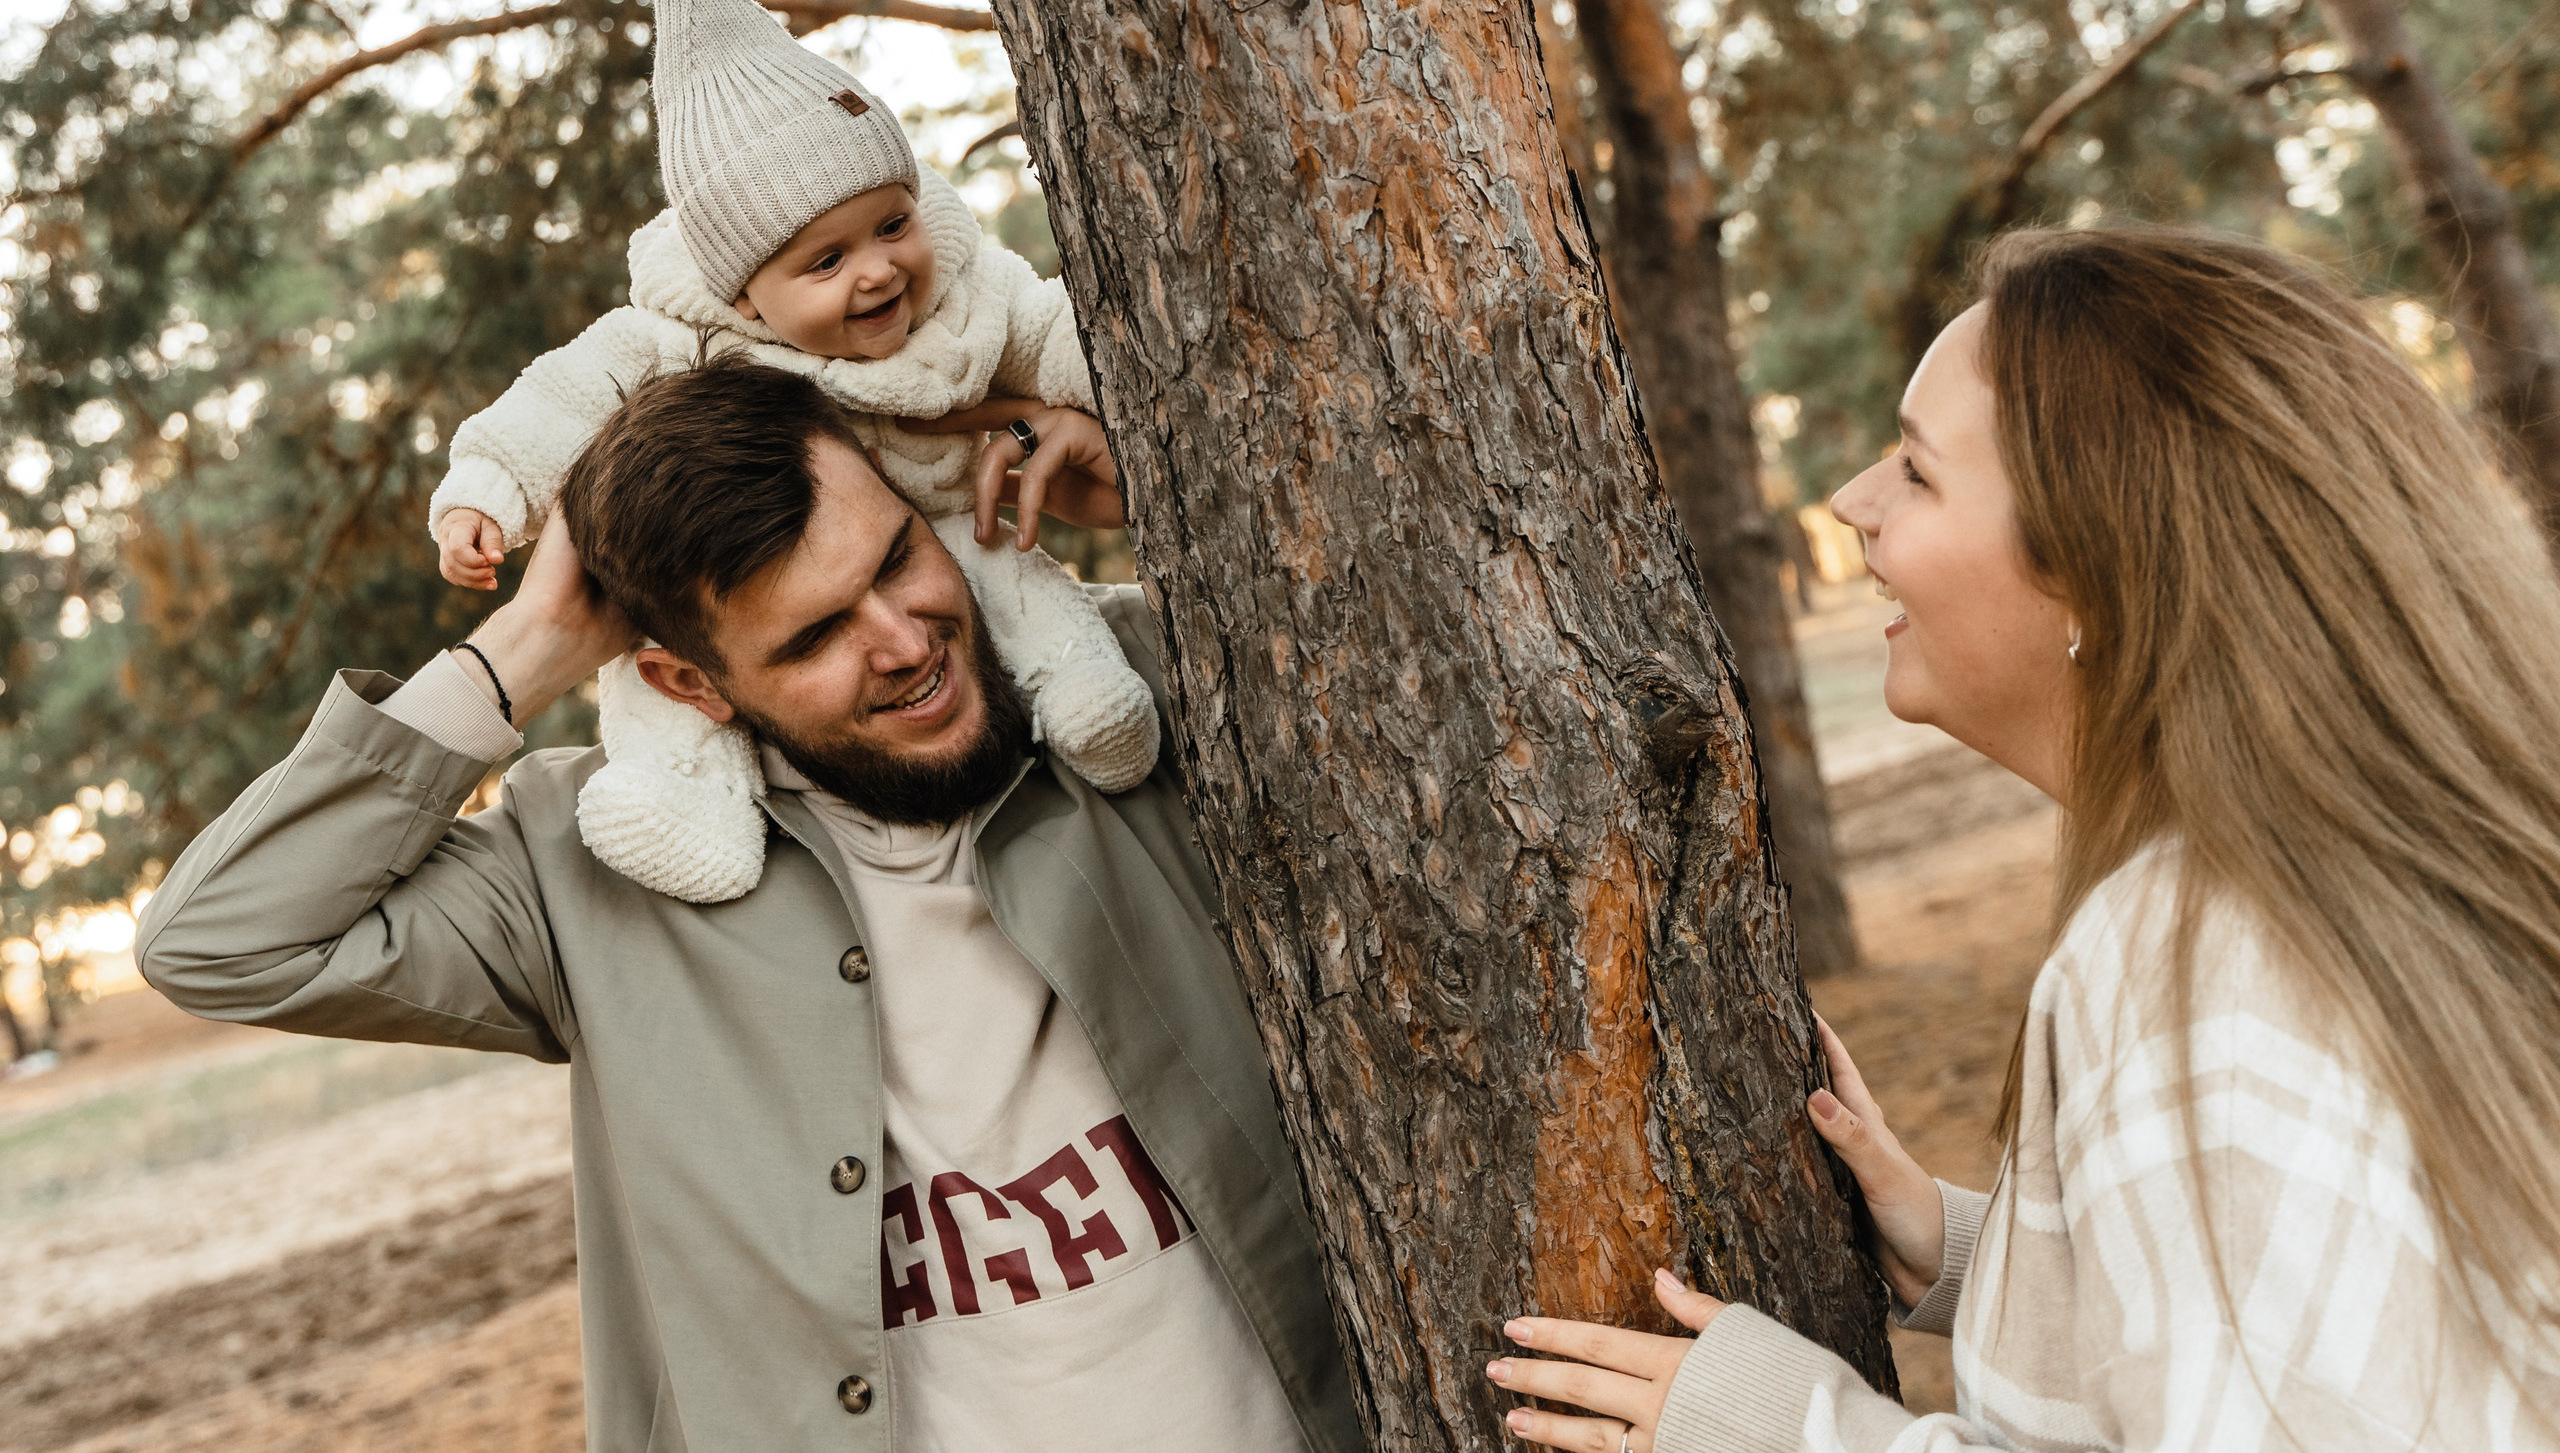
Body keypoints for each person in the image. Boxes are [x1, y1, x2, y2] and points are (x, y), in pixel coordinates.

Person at [137, 355, 1361, 1453]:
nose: (904, 641)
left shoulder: (1129, 695)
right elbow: (224, 937)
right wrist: (530, 641)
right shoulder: (594, 867)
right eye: (817, 633)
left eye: (896, 559)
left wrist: (1157, 485)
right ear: (687, 680)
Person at [1488, 226, 2560, 1450]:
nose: (1848, 503)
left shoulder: (2200, 974)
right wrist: (1976, 1249)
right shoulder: (2331, 893)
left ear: (2093, 578)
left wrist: (1781, 1431)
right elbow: (2343, 1326)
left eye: (1917, 470)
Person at [431, 0, 1156, 905]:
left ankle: (1085, 698)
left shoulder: (969, 298)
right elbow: (559, 399)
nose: (879, 271)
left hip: (952, 526)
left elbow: (1069, 337)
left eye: (892, 225)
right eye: (825, 262)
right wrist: (488, 490)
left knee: (1008, 575)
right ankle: (674, 803)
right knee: (662, 678)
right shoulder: (674, 339)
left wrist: (1135, 435)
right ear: (745, 293)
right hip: (752, 581)